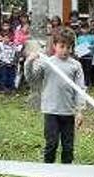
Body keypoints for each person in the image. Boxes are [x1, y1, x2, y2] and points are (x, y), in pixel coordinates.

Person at [24, 27, 86, 164]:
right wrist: (29, 62)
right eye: (62, 46)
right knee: (51, 144)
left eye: (68, 47)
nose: (65, 50)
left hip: (68, 112)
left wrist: (79, 110)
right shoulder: (47, 63)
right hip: (50, 111)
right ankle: (49, 173)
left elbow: (80, 89)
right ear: (54, 46)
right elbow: (32, 79)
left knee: (68, 146)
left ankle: (66, 172)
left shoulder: (75, 66)